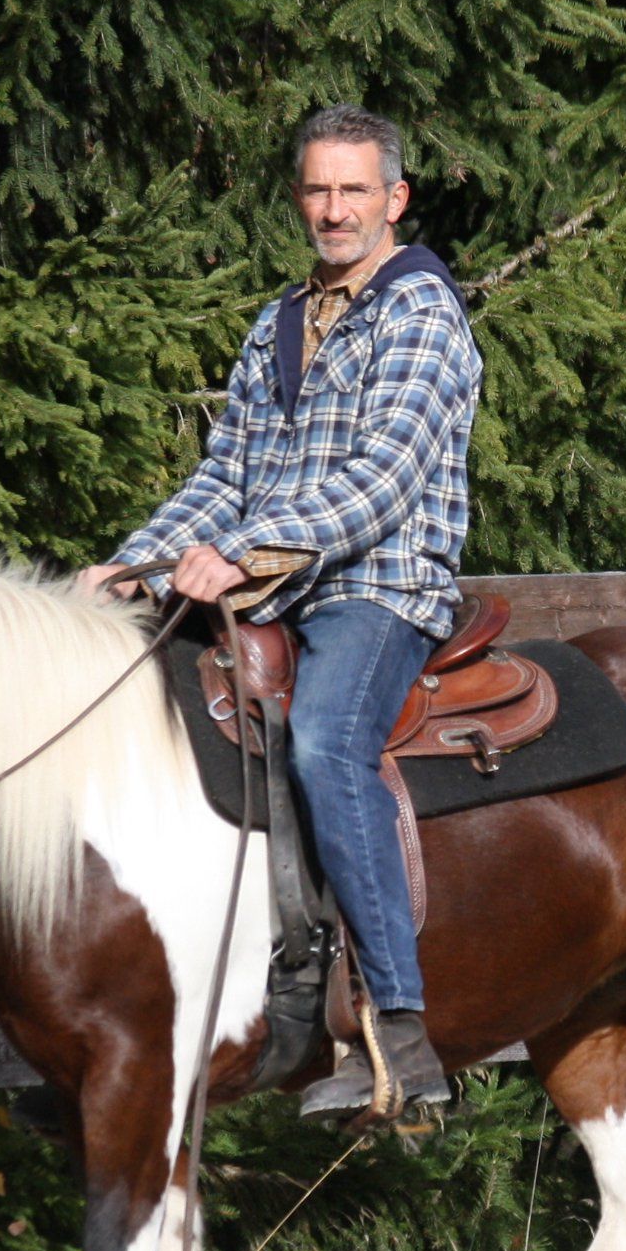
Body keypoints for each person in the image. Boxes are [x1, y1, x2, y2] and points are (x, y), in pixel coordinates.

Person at [81, 104, 483, 1120]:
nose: (334, 209)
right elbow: (226, 475)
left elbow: (382, 480)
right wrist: (138, 562)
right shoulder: (279, 324)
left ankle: (399, 1030)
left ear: (394, 199)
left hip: (377, 587)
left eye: (354, 190)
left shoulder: (420, 310)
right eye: (317, 189)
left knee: (325, 745)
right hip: (273, 587)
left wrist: (244, 555)